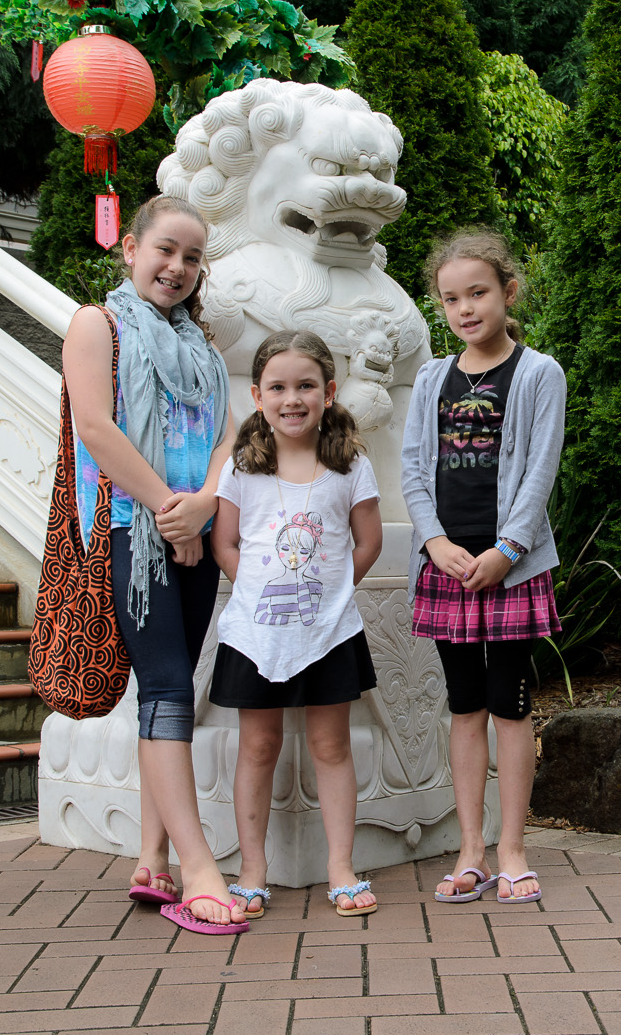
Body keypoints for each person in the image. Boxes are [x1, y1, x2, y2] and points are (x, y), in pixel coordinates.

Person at [60, 195, 250, 936]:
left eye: (192, 258)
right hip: (132, 532)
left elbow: (228, 435)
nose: (176, 267)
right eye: (165, 250)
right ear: (131, 247)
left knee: (166, 693)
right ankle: (200, 868)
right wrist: (173, 512)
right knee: (168, 690)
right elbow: (97, 429)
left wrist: (205, 503)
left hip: (192, 534)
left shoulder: (198, 349)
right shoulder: (95, 324)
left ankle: (151, 860)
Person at [401, 229, 566, 904]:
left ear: (508, 292)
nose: (466, 308)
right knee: (464, 705)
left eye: (478, 293)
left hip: (513, 569)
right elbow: (412, 468)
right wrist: (435, 541)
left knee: (510, 703)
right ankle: (470, 852)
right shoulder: (431, 378)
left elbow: (539, 471)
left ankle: (512, 849)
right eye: (451, 298)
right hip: (449, 565)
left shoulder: (537, 373)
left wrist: (509, 551)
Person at [210, 330, 384, 918]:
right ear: (257, 396)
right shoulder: (242, 468)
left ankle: (341, 868)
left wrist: (329, 595)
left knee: (332, 746)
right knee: (257, 746)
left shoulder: (349, 466)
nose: (293, 398)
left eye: (306, 386)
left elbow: (369, 541)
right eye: (278, 387)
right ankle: (252, 870)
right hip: (255, 633)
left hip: (329, 632)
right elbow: (226, 542)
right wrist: (258, 589)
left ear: (329, 392)